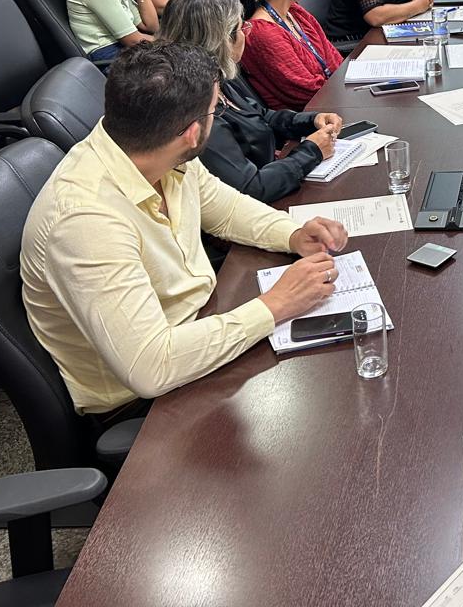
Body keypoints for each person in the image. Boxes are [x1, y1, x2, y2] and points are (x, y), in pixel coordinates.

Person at [20, 42, 349, 417]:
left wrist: (291, 233)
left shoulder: (157, 148)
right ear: (193, 132)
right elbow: (151, 367)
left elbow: (226, 210)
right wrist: (275, 305)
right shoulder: (84, 220)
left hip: (203, 325)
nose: (218, 114)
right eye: (216, 109)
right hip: (145, 402)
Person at [158, 0, 343, 202]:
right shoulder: (197, 111)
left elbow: (261, 115)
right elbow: (250, 188)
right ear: (221, 41)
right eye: (239, 27)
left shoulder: (218, 76)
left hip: (277, 181)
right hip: (259, 208)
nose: (245, 31)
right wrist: (312, 151)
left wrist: (311, 120)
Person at [233, 0, 343, 111]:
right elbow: (306, 93)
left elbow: (334, 61)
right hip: (309, 119)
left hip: (332, 102)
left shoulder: (296, 12)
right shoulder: (261, 33)